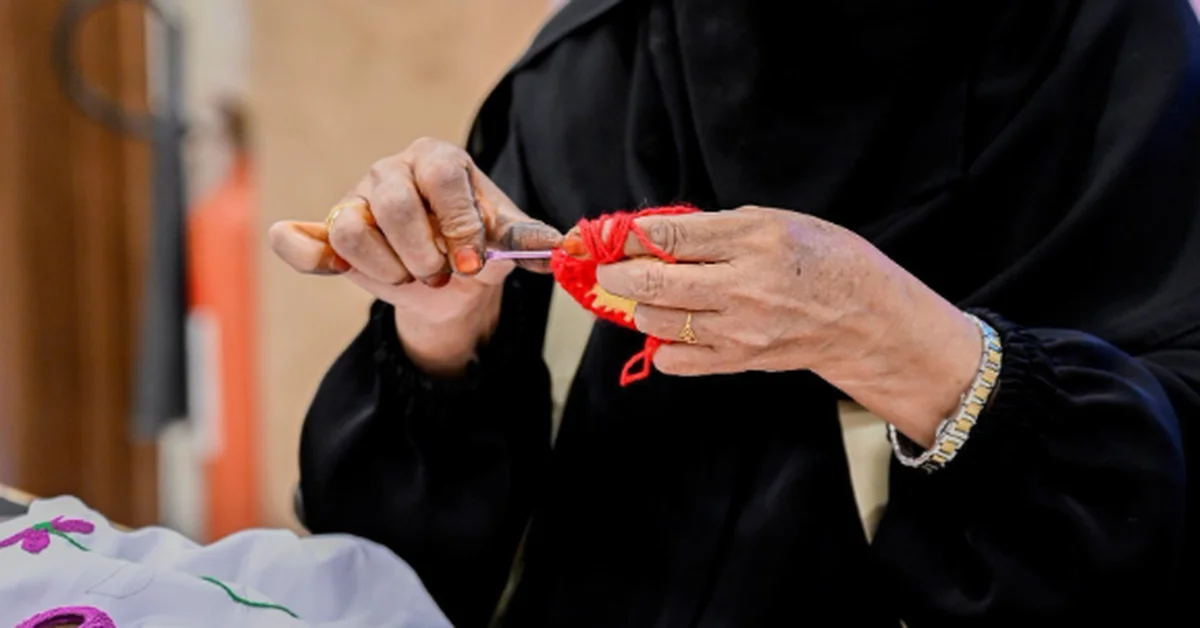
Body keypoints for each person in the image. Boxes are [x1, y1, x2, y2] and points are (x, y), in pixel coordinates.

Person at [269, 1, 1200, 625]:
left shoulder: (1111, 55)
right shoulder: (597, 59)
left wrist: (899, 343)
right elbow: (406, 563)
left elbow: (1153, 518)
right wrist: (442, 334)